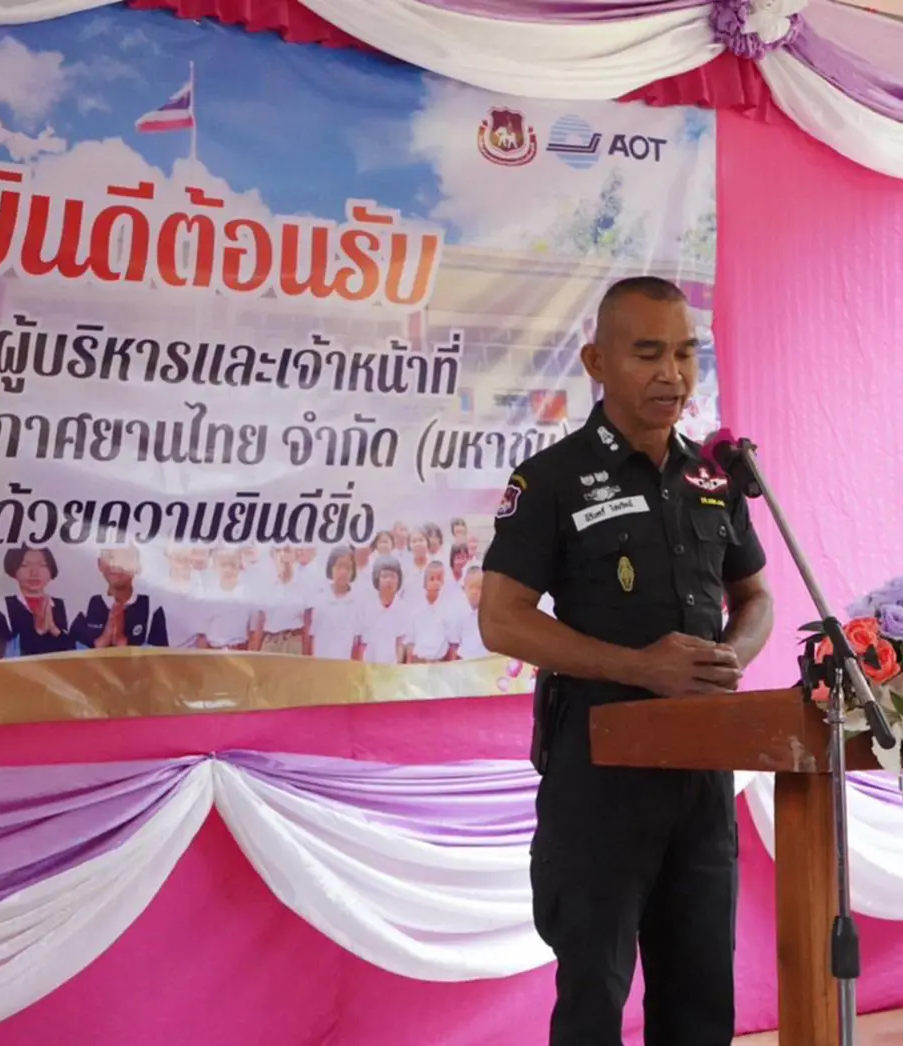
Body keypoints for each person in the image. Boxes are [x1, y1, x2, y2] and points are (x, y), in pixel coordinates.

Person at [477, 276, 775, 1046]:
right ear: (596, 362)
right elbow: (501, 620)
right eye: (647, 354)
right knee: (593, 996)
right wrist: (641, 668)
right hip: (598, 771)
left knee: (700, 998)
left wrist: (728, 660)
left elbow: (755, 597)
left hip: (701, 769)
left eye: (684, 353)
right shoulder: (550, 479)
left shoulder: (713, 478)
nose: (671, 374)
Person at [72, 546, 168, 650]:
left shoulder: (152, 608)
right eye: (110, 557)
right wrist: (102, 641)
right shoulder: (84, 606)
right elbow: (72, 651)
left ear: (137, 566)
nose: (115, 564)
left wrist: (122, 643)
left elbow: (161, 656)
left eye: (124, 558)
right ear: (99, 563)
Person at [0, 546, 82, 658]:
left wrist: (55, 631)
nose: (34, 572)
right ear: (13, 569)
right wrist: (37, 631)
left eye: (42, 565)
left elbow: (82, 651)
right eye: (25, 565)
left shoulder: (68, 608)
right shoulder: (1, 608)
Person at [305, 546, 364, 660]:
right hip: (321, 661)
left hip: (345, 664)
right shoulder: (319, 599)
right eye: (339, 567)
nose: (343, 572)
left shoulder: (357, 602)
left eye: (348, 568)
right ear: (331, 568)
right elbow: (312, 636)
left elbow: (357, 642)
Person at [404, 560, 462, 664]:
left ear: (444, 582)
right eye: (432, 579)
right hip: (419, 662)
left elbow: (452, 643)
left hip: (440, 662)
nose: (436, 583)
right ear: (425, 584)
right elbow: (410, 643)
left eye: (439, 579)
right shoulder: (416, 610)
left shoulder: (449, 610)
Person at [358, 555, 408, 664]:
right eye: (384, 576)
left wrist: (398, 664)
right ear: (377, 579)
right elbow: (362, 644)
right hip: (369, 665)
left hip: (392, 667)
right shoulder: (367, 608)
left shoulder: (403, 608)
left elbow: (400, 643)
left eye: (393, 576)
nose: (389, 580)